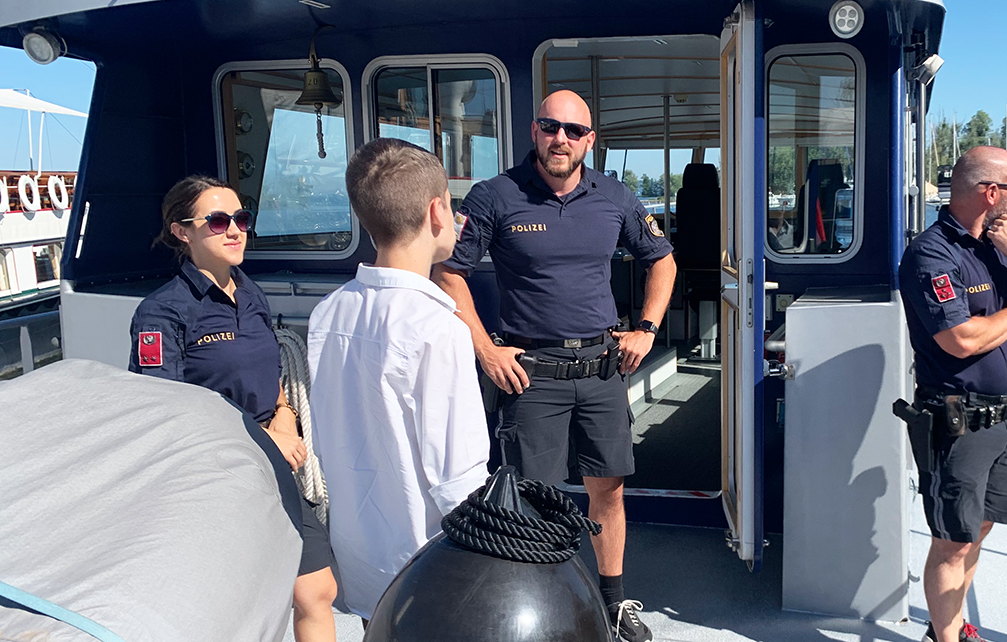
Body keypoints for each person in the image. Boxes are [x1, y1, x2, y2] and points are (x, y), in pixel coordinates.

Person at [434, 90, 675, 642]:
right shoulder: (496, 196)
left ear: (590, 140)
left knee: (607, 492)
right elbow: (449, 273)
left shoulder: (614, 196)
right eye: (549, 127)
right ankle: (542, 609)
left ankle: (613, 608)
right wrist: (485, 349)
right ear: (535, 132)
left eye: (572, 130)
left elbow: (662, 259)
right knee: (533, 498)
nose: (559, 138)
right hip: (530, 373)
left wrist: (647, 328)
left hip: (600, 368)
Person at [129, 175, 338, 642]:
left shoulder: (251, 294)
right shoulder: (161, 313)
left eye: (241, 219)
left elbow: (269, 373)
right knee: (238, 610)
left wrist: (284, 411)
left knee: (316, 589)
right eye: (218, 221)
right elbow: (166, 411)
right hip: (216, 476)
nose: (235, 230)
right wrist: (265, 439)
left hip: (276, 462)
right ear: (182, 232)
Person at [306, 138, 492, 621]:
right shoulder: (438, 327)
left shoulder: (328, 314)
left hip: (362, 563)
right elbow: (458, 478)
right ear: (436, 212)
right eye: (453, 206)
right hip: (427, 570)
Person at [897, 146, 1007, 642]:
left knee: (980, 529)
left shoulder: (999, 245)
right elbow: (961, 339)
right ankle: (945, 638)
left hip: (1006, 421)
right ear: (992, 193)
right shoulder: (931, 254)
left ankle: (952, 624)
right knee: (952, 541)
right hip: (957, 422)